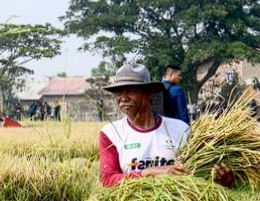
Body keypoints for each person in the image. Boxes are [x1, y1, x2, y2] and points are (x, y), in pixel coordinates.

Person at [98, 62, 232, 188]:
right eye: (118, 92)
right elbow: (108, 179)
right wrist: (148, 173)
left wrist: (220, 179)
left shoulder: (181, 130)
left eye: (131, 91)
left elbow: (198, 174)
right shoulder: (111, 133)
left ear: (149, 93)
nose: (123, 97)